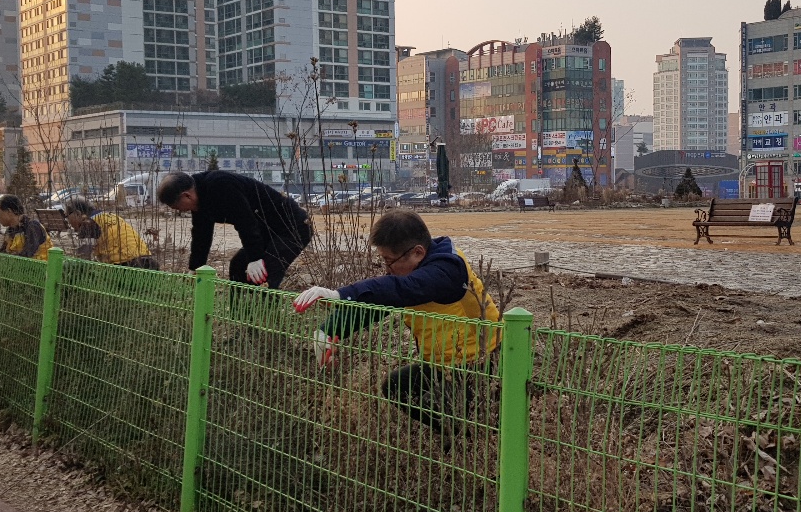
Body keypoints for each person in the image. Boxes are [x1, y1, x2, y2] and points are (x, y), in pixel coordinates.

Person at [292, 210, 500, 438]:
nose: (387, 269)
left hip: (481, 363)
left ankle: (467, 439)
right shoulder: (417, 269)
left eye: (390, 261)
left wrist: (340, 294)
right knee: (395, 387)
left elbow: (398, 289)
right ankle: (455, 434)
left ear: (418, 252)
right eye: (384, 260)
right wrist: (329, 330)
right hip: (444, 363)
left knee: (467, 415)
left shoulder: (447, 271)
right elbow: (382, 303)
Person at [158, 170, 313, 287]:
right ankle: (240, 316)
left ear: (186, 196)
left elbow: (245, 220)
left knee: (264, 273)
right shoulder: (199, 198)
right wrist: (195, 267)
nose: (179, 210)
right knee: (238, 266)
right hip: (265, 230)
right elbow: (201, 233)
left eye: (177, 206)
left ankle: (265, 321)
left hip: (292, 226)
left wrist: (255, 258)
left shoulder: (220, 185)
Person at [60, 196, 157, 269]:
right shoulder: (108, 217)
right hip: (148, 262)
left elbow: (82, 259)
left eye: (67, 215)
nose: (67, 220)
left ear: (78, 213)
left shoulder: (88, 224)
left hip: (127, 266)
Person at [0, 195, 53, 260]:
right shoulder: (10, 230)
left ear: (9, 211)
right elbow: (1, 253)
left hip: (42, 268)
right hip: (25, 268)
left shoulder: (32, 227)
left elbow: (27, 255)